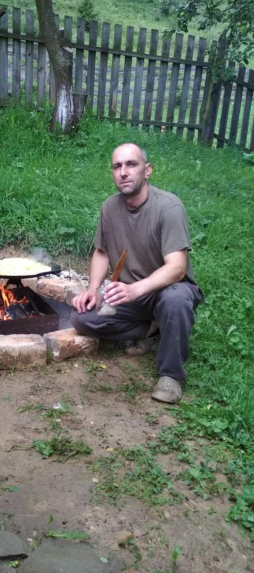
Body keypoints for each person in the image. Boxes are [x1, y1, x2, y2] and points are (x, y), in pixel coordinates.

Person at [71, 143, 203, 404]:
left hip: (168, 289)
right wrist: (93, 289)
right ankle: (150, 330)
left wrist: (134, 289)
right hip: (133, 295)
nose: (123, 172)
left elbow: (177, 268)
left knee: (175, 299)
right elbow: (102, 252)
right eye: (117, 166)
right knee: (81, 319)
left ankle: (170, 376)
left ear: (147, 170)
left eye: (131, 164)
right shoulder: (109, 207)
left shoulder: (169, 207)